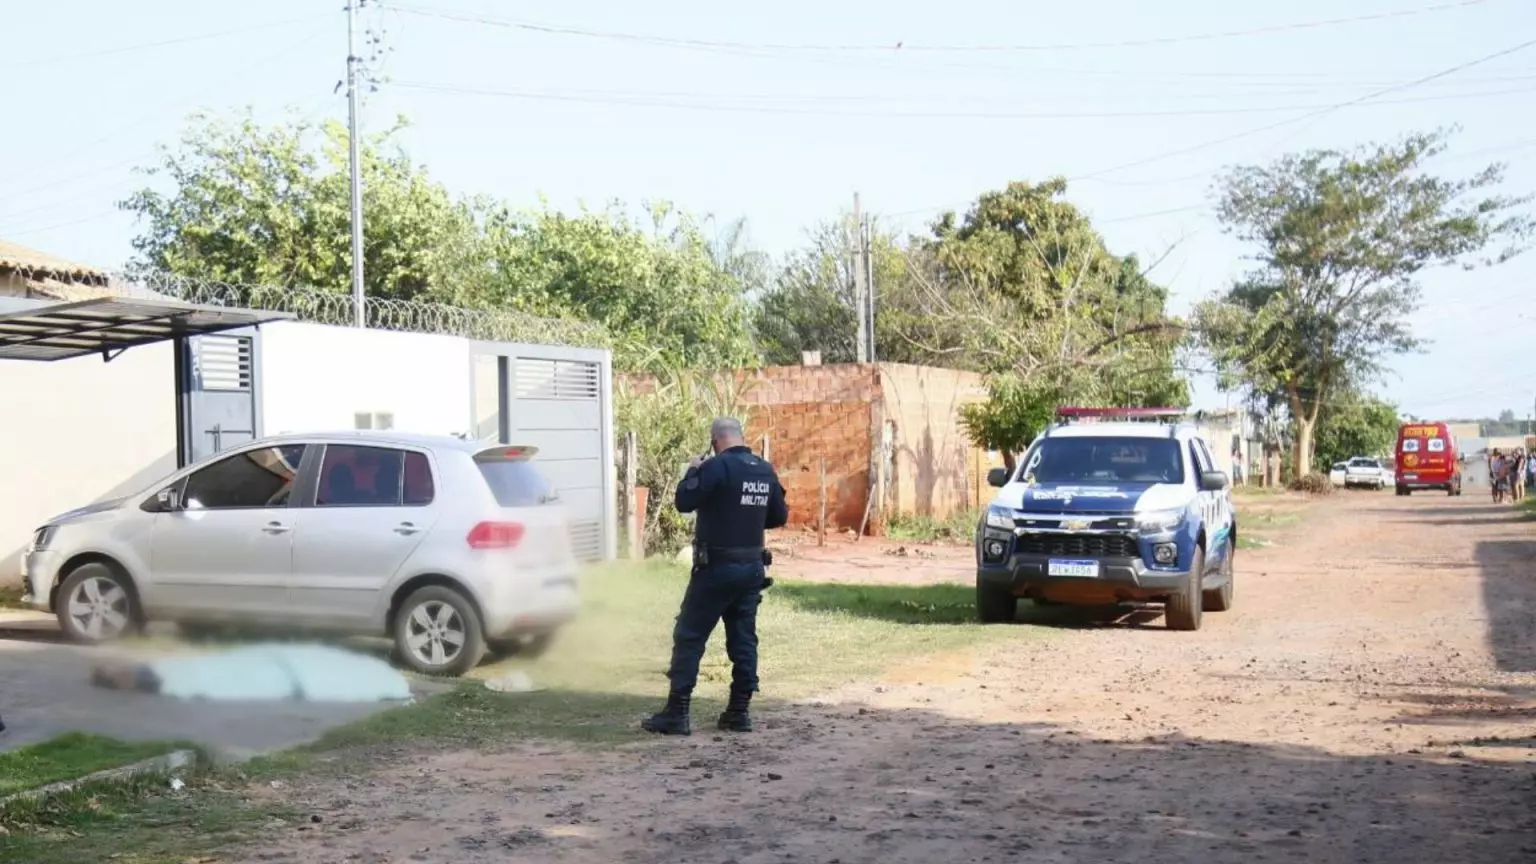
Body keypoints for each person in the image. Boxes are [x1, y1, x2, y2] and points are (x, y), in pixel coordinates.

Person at [642, 417, 788, 737]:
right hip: (752, 569)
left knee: (690, 635)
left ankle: (677, 713)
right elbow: (779, 516)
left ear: (715, 441)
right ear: (740, 437)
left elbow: (683, 501)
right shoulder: (764, 470)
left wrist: (694, 470)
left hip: (717, 568)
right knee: (743, 639)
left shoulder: (715, 468)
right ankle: (739, 712)